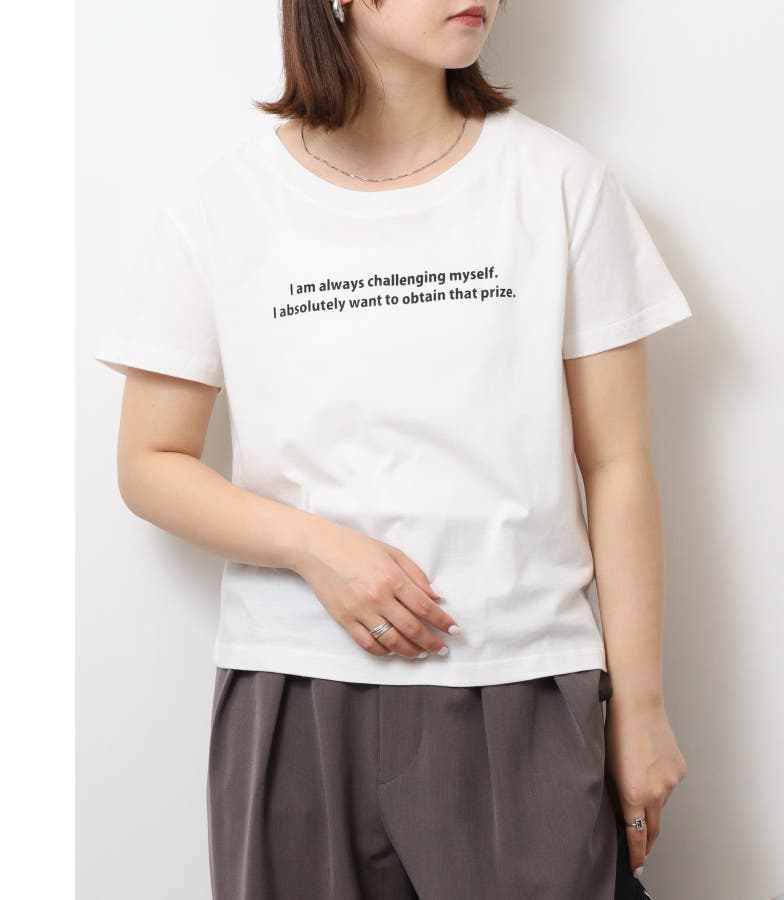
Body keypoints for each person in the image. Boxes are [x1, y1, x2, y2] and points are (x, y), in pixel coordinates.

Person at [94, 1, 690, 897]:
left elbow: (618, 466)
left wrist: (640, 708)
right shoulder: (224, 206)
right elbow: (149, 461)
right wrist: (317, 548)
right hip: (295, 685)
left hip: (523, 679)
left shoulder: (559, 183)